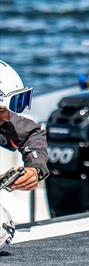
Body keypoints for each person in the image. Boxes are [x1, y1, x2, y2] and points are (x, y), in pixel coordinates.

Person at [0, 60, 49, 192]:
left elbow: (31, 134)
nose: (5, 118)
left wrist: (34, 170)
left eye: (5, 110)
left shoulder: (6, 121)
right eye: (1, 111)